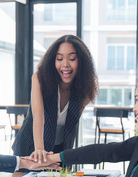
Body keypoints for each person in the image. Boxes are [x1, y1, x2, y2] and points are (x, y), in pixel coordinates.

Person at [12, 34, 98, 163]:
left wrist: (67, 157)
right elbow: (38, 117)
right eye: (59, 58)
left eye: (72, 58)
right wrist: (39, 150)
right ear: (53, 60)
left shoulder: (84, 90)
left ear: (81, 61)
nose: (65, 64)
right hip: (30, 147)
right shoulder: (40, 78)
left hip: (59, 151)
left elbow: (70, 126)